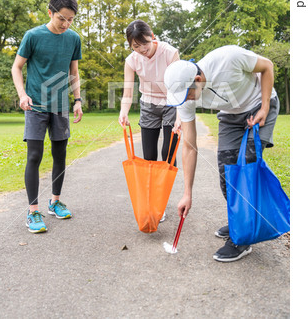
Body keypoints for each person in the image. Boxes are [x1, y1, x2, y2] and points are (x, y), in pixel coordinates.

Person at [164, 45, 280, 262]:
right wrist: (187, 193)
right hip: (230, 116)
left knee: (246, 167)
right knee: (227, 175)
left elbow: (267, 67)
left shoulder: (228, 58)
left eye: (187, 94)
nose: (187, 100)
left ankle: (242, 238)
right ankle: (241, 219)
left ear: (198, 80)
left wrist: (264, 107)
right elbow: (189, 145)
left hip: (260, 104)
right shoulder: (186, 99)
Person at [12, 0, 83, 233]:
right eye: (62, 18)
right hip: (36, 106)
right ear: (50, 12)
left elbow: (74, 71)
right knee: (34, 156)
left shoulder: (73, 39)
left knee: (60, 154)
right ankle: (33, 212)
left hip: (61, 106)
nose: (66, 24)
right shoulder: (32, 36)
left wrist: (78, 100)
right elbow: (17, 67)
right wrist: (23, 95)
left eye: (71, 19)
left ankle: (55, 202)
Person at [119, 20, 180, 220]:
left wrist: (181, 116)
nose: (141, 49)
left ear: (152, 36)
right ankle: (154, 203)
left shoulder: (170, 53)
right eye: (135, 46)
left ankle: (161, 199)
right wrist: (124, 111)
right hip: (148, 105)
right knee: (149, 156)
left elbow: (181, 88)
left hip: (172, 103)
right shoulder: (132, 60)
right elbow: (128, 91)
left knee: (168, 153)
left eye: (144, 43)